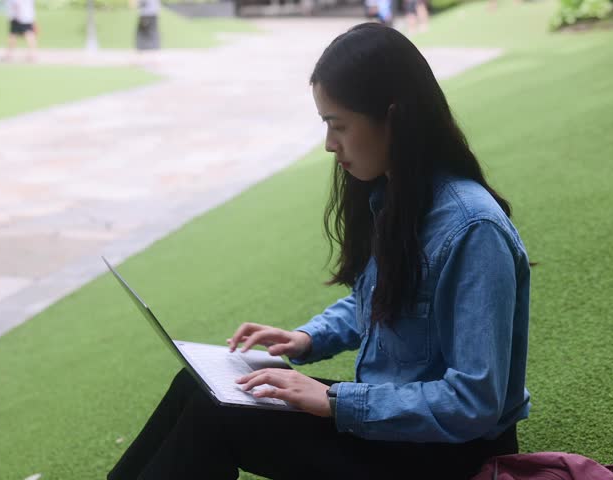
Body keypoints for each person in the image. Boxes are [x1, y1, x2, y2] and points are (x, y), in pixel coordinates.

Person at [107, 22, 531, 480]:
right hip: (392, 429)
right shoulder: (396, 196)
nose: (331, 144)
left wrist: (333, 402)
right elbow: (387, 299)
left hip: (447, 456)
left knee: (218, 417)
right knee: (203, 386)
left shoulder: (474, 229)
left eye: (338, 125)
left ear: (393, 118)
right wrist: (307, 339)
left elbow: (475, 401)